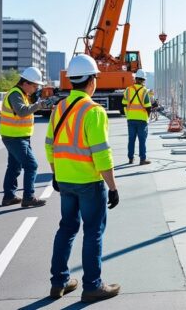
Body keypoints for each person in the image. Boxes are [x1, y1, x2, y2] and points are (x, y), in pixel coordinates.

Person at [47, 54, 120, 303]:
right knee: (93, 232)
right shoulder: (94, 111)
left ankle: (59, 282)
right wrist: (113, 187)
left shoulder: (59, 107)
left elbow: (50, 145)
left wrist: (56, 173)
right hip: (89, 181)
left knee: (66, 228)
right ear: (91, 81)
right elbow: (102, 154)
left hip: (65, 180)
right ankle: (92, 286)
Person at [0, 67, 52, 207]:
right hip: (15, 137)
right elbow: (22, 112)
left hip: (17, 136)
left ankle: (9, 197)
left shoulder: (22, 94)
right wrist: (38, 105)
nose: (35, 89)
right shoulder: (15, 94)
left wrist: (38, 105)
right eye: (35, 86)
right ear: (26, 83)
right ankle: (28, 197)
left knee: (14, 167)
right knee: (31, 165)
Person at [122, 70, 152, 165]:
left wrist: (128, 114)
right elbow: (148, 106)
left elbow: (123, 103)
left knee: (131, 139)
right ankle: (142, 159)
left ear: (135, 79)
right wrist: (148, 117)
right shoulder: (144, 91)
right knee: (142, 140)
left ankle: (131, 158)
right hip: (142, 120)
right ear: (143, 80)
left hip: (131, 119)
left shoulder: (128, 90)